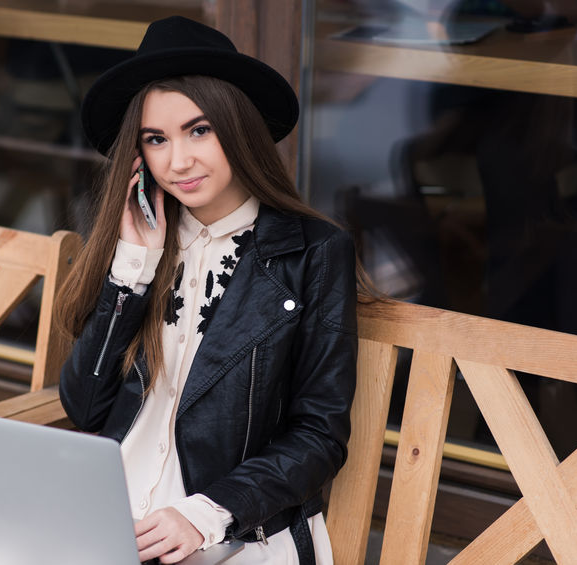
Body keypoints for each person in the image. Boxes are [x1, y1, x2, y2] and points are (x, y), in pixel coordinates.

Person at [56, 16, 359, 564]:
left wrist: (205, 513)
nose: (178, 161)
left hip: (233, 532)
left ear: (237, 127)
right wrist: (135, 267)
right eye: (156, 140)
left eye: (199, 130)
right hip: (106, 518)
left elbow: (318, 434)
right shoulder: (138, 244)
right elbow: (84, 407)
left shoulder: (314, 252)